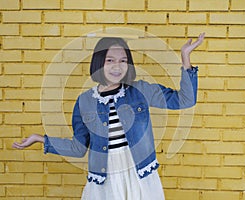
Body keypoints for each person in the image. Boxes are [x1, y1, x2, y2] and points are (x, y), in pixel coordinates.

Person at [13, 33, 205, 200]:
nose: (117, 66)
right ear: (99, 63)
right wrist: (41, 140)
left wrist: (185, 57)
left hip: (139, 174)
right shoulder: (84, 102)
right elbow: (79, 148)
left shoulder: (140, 90)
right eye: (110, 60)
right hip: (105, 179)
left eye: (123, 60)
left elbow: (184, 100)